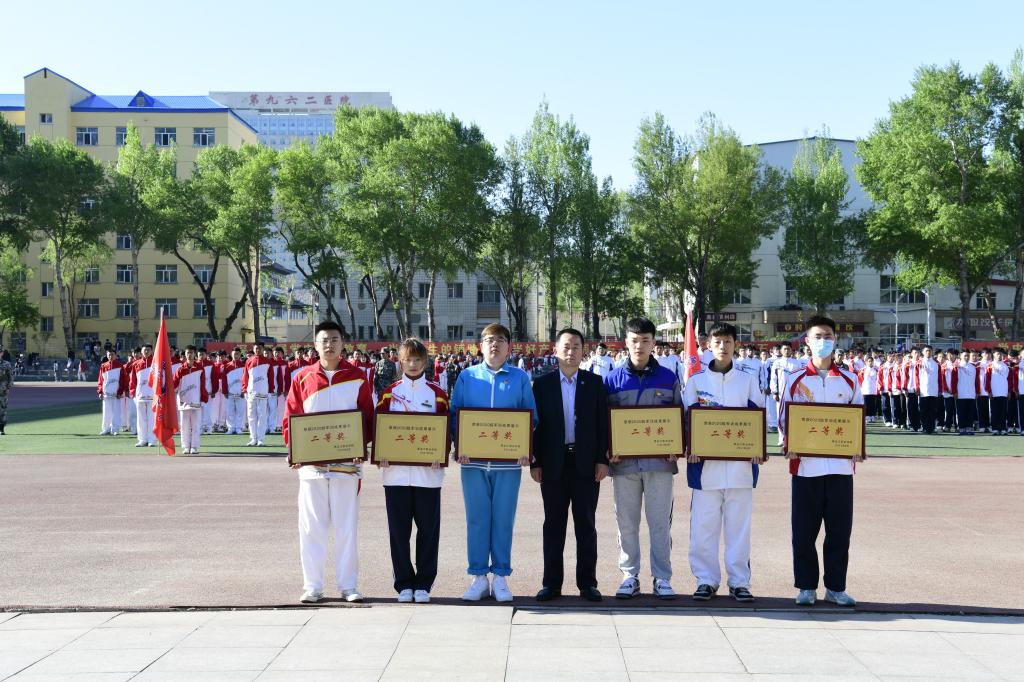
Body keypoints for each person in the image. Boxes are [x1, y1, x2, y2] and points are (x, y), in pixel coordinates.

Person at [283, 321, 375, 604]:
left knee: (347, 527)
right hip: (311, 468)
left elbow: (367, 416)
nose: (329, 345)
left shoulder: (358, 377)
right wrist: (294, 450)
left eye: (334, 339)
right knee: (312, 528)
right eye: (324, 340)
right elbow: (290, 417)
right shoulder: (302, 378)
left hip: (347, 466)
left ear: (342, 343)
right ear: (315, 344)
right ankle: (313, 586)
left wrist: (361, 446)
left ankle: (349, 586)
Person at [779, 315, 864, 607]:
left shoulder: (850, 379)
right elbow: (784, 418)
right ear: (807, 341)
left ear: (835, 340)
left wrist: (857, 446)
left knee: (839, 532)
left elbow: (857, 417)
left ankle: (836, 587)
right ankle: (806, 587)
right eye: (817, 336)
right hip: (806, 467)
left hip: (840, 468)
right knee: (803, 532)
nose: (823, 341)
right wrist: (789, 443)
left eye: (828, 336)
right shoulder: (795, 379)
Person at [450, 323, 537, 603]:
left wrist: (525, 447)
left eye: (500, 340)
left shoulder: (520, 377)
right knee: (477, 519)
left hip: (508, 464)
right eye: (489, 340)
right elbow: (455, 414)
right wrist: (460, 444)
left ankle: (500, 576)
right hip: (473, 463)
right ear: (480, 346)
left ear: (509, 347)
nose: (494, 345)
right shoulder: (467, 376)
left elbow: (531, 417)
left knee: (503, 520)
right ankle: (478, 577)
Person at [682, 323, 765, 603]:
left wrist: (757, 449)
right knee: (703, 528)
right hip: (705, 470)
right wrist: (691, 446)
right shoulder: (696, 381)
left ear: (735, 345)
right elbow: (687, 421)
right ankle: (706, 580)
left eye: (728, 341)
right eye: (717, 342)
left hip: (741, 470)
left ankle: (739, 582)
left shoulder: (747, 380)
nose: (723, 347)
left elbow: (758, 419)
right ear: (708, 345)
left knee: (738, 529)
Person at [604, 317, 681, 600]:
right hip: (623, 465)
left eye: (645, 340)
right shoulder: (611, 380)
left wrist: (677, 445)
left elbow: (680, 418)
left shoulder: (668, 378)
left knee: (660, 523)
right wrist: (608, 448)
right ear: (626, 342)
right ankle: (629, 575)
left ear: (653, 343)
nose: (639, 346)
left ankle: (662, 577)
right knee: (626, 522)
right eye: (634, 340)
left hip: (660, 464)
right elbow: (605, 423)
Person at [531, 328, 609, 603]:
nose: (571, 351)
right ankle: (551, 583)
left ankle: (588, 583)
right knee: (553, 525)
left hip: (585, 464)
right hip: (553, 464)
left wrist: (602, 460)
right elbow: (536, 428)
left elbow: (603, 425)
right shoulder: (542, 385)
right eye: (565, 346)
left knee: (585, 524)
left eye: (576, 346)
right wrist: (536, 461)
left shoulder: (595, 383)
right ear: (555, 350)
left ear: (583, 351)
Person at [375, 338, 449, 604]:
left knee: (428, 531)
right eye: (408, 359)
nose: (413, 364)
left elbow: (445, 431)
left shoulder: (437, 394)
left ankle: (424, 584)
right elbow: (380, 428)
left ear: (426, 362)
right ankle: (404, 583)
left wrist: (440, 455)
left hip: (428, 476)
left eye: (418, 359)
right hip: (395, 475)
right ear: (400, 361)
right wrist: (381, 454)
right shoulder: (389, 393)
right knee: (399, 532)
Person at [174, 346, 209, 455]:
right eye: (187, 353)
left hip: (195, 400)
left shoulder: (200, 368)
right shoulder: (180, 369)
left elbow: (202, 384)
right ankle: (185, 446)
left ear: (194, 354)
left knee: (195, 425)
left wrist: (203, 397)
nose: (189, 355)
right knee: (184, 425)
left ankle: (194, 446)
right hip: (183, 401)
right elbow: (174, 384)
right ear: (185, 354)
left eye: (191, 353)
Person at [242, 342, 276, 446]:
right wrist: (244, 390)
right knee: (251, 416)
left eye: (260, 348)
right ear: (253, 349)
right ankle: (253, 438)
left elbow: (271, 377)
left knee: (262, 416)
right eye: (256, 348)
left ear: (263, 349)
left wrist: (270, 390)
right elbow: (245, 376)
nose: (258, 350)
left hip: (263, 392)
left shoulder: (268, 361)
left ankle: (260, 439)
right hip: (251, 392)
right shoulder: (249, 361)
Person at [128, 344, 157, 447]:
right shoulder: (136, 364)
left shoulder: (155, 363)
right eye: (144, 350)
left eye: (148, 350)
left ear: (152, 351)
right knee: (141, 419)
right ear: (141, 352)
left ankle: (152, 439)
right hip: (140, 395)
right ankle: (142, 439)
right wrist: (133, 392)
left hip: (152, 396)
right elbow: (133, 380)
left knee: (151, 419)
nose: (146, 352)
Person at [97, 349, 124, 435]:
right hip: (106, 393)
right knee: (106, 412)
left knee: (116, 412)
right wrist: (100, 391)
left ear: (115, 355)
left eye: (112, 354)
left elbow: (123, 380)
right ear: (107, 355)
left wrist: (120, 391)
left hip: (116, 394)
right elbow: (101, 380)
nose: (110, 356)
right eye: (109, 355)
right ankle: (106, 429)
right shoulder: (103, 366)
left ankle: (115, 429)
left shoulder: (120, 366)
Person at [985, 349, 1010, 435]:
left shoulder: (1006, 366)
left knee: (1003, 412)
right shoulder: (990, 365)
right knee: (994, 412)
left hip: (1003, 392)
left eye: (1001, 354)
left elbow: (1008, 379)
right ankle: (995, 428)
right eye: (998, 354)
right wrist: (989, 391)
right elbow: (987, 380)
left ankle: (1003, 429)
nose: (999, 356)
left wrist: (1008, 391)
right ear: (994, 355)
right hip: (994, 393)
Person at [222, 349, 246, 435]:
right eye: (234, 354)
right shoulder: (227, 366)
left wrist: (244, 390)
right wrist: (225, 391)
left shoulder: (244, 366)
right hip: (230, 393)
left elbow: (246, 379)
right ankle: (231, 428)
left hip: (240, 393)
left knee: (240, 411)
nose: (236, 356)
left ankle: (238, 428)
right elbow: (224, 380)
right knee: (229, 412)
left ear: (240, 355)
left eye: (237, 354)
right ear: (231, 354)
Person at [0, 354, 13, 435]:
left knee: (3, 410)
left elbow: (10, 376)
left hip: (3, 390)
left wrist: (8, 387)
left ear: (1, 353)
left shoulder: (6, 364)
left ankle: (1, 429)